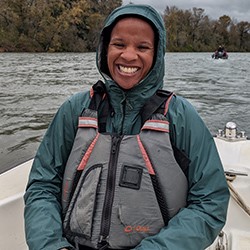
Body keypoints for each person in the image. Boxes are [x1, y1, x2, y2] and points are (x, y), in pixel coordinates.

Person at [24, 4, 229, 250]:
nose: (129, 56)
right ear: (104, 49)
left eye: (142, 47)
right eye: (119, 44)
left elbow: (210, 202)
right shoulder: (74, 109)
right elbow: (43, 185)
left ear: (157, 53)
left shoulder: (180, 116)